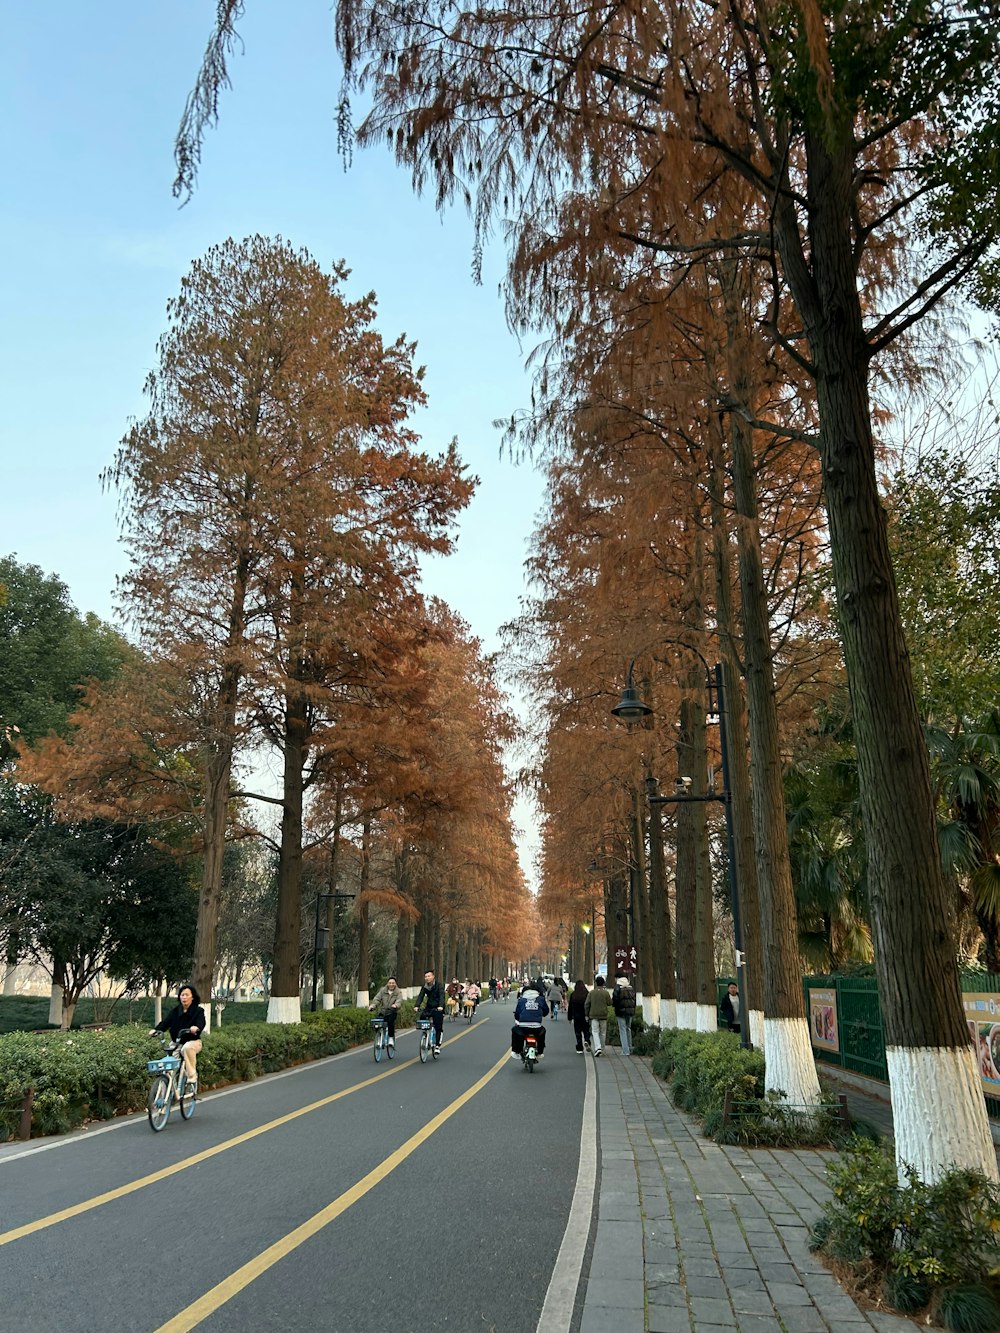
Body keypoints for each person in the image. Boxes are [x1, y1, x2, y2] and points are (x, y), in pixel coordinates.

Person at [149, 983, 205, 1085]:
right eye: (182, 995)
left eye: (187, 995)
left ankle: (192, 1076)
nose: (184, 997)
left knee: (186, 1048)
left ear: (192, 997)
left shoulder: (198, 1011)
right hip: (176, 1043)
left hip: (193, 1042)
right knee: (168, 1066)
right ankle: (168, 1090)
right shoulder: (175, 1011)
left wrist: (196, 1028)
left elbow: (201, 1023)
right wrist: (156, 1030)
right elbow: (165, 1023)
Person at [511, 976, 549, 1059]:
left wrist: (518, 1019)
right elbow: (546, 1011)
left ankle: (516, 1051)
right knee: (542, 1032)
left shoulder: (521, 1000)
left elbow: (517, 1013)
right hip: (537, 1027)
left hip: (523, 1027)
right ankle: (540, 1052)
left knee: (515, 1030)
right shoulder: (540, 999)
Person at [368, 976, 404, 1048]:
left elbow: (399, 1001)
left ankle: (391, 1038)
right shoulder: (382, 990)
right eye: (390, 983)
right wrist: (373, 1005)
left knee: (390, 1022)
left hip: (392, 1012)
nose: (391, 984)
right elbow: (377, 999)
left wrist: (395, 1005)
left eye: (393, 983)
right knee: (377, 1024)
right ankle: (379, 1037)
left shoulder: (398, 992)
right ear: (387, 984)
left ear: (395, 984)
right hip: (383, 1011)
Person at [415, 969, 446, 1052]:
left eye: (429, 976)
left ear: (433, 977)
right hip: (429, 1006)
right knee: (422, 1017)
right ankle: (426, 1034)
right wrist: (417, 1006)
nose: (427, 978)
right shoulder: (425, 986)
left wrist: (441, 1006)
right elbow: (420, 996)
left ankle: (437, 1045)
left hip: (438, 1007)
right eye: (425, 976)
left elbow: (442, 996)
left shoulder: (439, 985)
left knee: (438, 1026)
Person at [585, 975, 611, 1056]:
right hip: (603, 1015)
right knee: (603, 1033)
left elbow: (586, 1004)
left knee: (595, 1032)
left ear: (595, 983)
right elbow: (610, 1003)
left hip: (593, 1015)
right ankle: (602, 1049)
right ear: (603, 983)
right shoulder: (606, 993)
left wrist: (586, 1014)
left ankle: (597, 1047)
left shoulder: (591, 993)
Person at [612, 973, 637, 1054]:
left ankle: (625, 1051)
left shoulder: (617, 988)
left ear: (617, 978)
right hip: (630, 1012)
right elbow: (634, 1000)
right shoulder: (630, 988)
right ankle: (630, 1048)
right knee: (628, 1029)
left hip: (620, 1012)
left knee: (622, 1030)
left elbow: (615, 1000)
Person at [567, 979, 591, 1053]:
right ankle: (587, 1041)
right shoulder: (587, 994)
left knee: (578, 1032)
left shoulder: (573, 995)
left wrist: (570, 1017)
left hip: (576, 1016)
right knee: (586, 1030)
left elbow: (570, 1007)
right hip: (585, 1016)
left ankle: (579, 1047)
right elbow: (590, 1005)